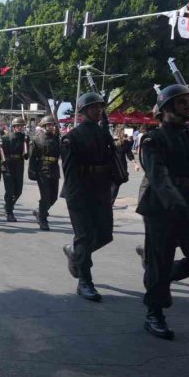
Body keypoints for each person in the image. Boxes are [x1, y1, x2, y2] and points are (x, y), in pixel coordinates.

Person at [135, 84, 189, 339]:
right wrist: (175, 203)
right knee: (161, 256)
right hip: (160, 205)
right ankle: (154, 313)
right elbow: (159, 177)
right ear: (167, 109)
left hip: (186, 201)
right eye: (182, 103)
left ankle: (160, 276)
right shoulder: (153, 139)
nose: (188, 106)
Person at [60, 93, 116, 302]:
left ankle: (75, 251)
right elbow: (69, 172)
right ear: (83, 111)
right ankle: (85, 281)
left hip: (100, 191)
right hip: (80, 193)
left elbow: (112, 163)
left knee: (104, 235)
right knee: (84, 237)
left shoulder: (104, 134)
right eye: (93, 108)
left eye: (100, 107)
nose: (98, 111)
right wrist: (74, 198)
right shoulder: (72, 137)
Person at [28, 115, 61, 231]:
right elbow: (32, 157)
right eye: (49, 125)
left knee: (53, 197)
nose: (51, 126)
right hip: (42, 170)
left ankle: (40, 210)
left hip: (54, 169)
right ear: (44, 125)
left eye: (52, 125)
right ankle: (43, 219)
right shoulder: (37, 139)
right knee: (45, 196)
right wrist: (31, 172)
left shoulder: (57, 138)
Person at [1, 116, 28, 222]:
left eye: (21, 126)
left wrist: (26, 142)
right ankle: (9, 212)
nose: (20, 128)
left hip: (19, 165)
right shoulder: (6, 137)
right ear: (14, 127)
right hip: (8, 165)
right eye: (18, 126)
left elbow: (26, 154)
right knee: (10, 190)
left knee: (18, 191)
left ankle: (8, 205)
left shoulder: (24, 138)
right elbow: (2, 152)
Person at [111, 125, 134, 202]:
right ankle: (110, 201)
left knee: (113, 184)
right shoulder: (125, 143)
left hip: (111, 165)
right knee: (116, 185)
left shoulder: (112, 142)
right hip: (121, 166)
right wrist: (135, 163)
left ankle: (109, 201)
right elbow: (129, 153)